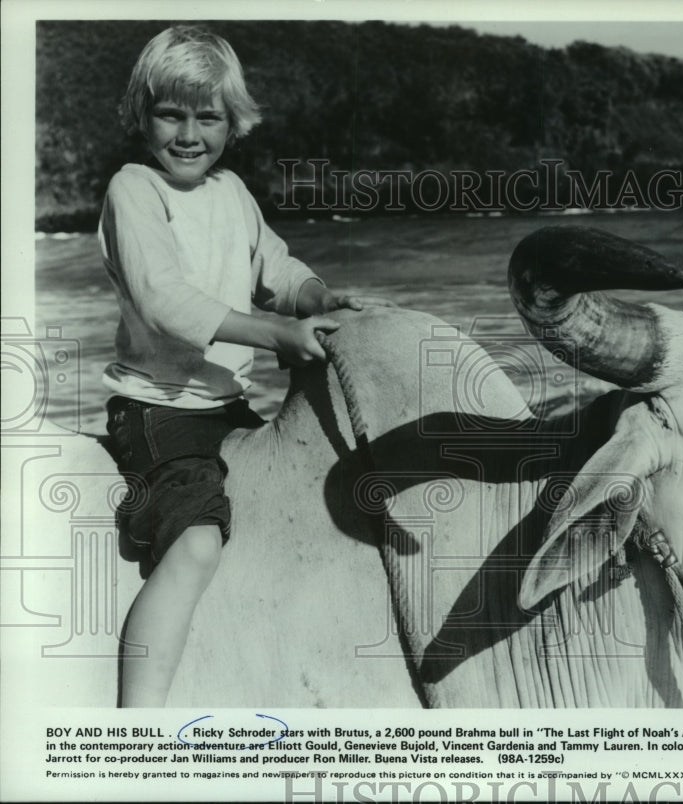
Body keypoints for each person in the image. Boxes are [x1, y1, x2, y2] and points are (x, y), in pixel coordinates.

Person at [101, 25, 390, 707]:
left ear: (234, 122)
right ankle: (132, 732)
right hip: (159, 409)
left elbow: (276, 269)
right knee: (198, 544)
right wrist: (270, 333)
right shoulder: (133, 190)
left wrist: (317, 296)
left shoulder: (232, 193)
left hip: (228, 405)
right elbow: (163, 298)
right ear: (142, 115)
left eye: (209, 116)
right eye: (172, 113)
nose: (190, 133)